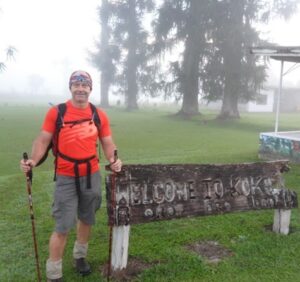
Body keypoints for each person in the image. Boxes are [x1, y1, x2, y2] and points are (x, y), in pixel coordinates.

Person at [20, 70, 122, 282]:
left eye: (85, 85)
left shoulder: (98, 114)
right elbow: (42, 140)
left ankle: (79, 257)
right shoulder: (57, 112)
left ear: (90, 89)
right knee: (63, 225)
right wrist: (33, 160)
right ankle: (54, 273)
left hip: (91, 174)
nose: (81, 89)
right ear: (71, 88)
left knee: (86, 218)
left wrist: (114, 160)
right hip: (65, 176)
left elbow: (107, 142)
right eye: (76, 85)